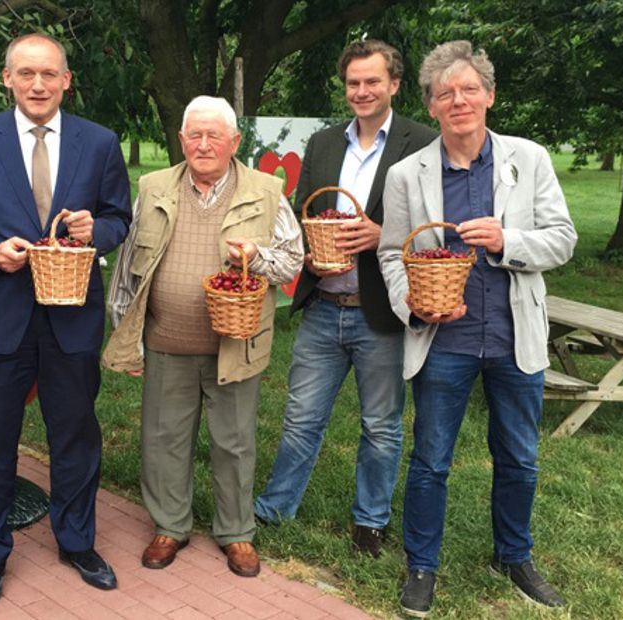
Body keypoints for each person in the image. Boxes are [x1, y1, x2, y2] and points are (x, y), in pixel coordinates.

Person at [377, 41, 577, 617]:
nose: (458, 100)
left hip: (516, 337)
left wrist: (509, 242)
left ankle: (514, 555)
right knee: (431, 459)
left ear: (489, 95)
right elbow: (393, 254)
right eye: (445, 93)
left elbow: (562, 238)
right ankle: (421, 565)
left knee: (519, 457)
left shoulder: (528, 158)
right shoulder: (406, 175)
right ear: (432, 106)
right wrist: (414, 305)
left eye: (468, 89)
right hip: (445, 341)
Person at [0, 33, 131, 611]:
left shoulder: (99, 143)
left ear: (66, 80)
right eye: (26, 74)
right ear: (8, 79)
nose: (39, 85)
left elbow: (120, 217)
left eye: (49, 74)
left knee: (74, 435)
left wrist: (93, 231)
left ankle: (77, 543)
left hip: (72, 315)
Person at [104, 96, 303, 577]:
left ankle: (236, 533)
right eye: (195, 134)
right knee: (164, 438)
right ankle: (171, 525)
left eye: (215, 135)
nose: (204, 144)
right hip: (167, 339)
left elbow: (294, 260)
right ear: (181, 139)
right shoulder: (152, 188)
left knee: (234, 442)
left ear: (235, 142)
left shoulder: (266, 190)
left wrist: (255, 256)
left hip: (235, 343)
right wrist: (124, 333)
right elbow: (130, 266)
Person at [253, 39, 438, 557]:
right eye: (353, 82)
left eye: (372, 81)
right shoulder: (324, 144)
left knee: (380, 426)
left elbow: (435, 227)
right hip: (323, 305)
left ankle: (370, 523)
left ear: (394, 85)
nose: (361, 91)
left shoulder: (422, 143)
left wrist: (386, 233)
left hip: (380, 312)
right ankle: (274, 509)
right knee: (300, 417)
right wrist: (306, 253)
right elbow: (300, 212)